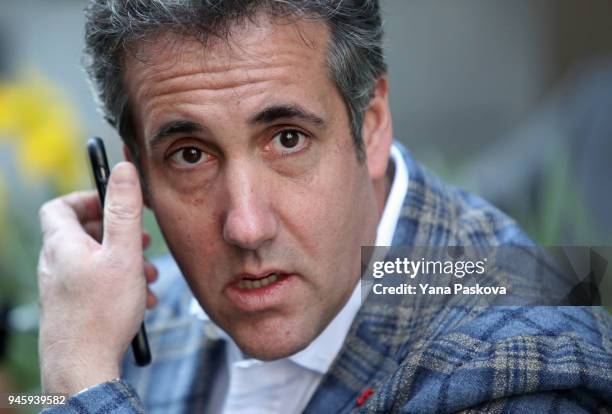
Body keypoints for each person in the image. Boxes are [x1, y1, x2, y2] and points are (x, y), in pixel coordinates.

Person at [38, 1, 611, 413]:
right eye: (190, 154)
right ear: (133, 171)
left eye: (288, 139)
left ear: (373, 124)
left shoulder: (522, 365)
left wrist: (77, 386)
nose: (246, 227)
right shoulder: (135, 314)